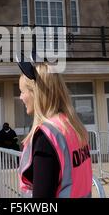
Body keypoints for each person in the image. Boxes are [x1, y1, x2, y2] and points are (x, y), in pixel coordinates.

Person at [17, 60, 93, 198]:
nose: (20, 97)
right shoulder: (73, 126)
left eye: (22, 92)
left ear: (36, 93)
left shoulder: (46, 136)